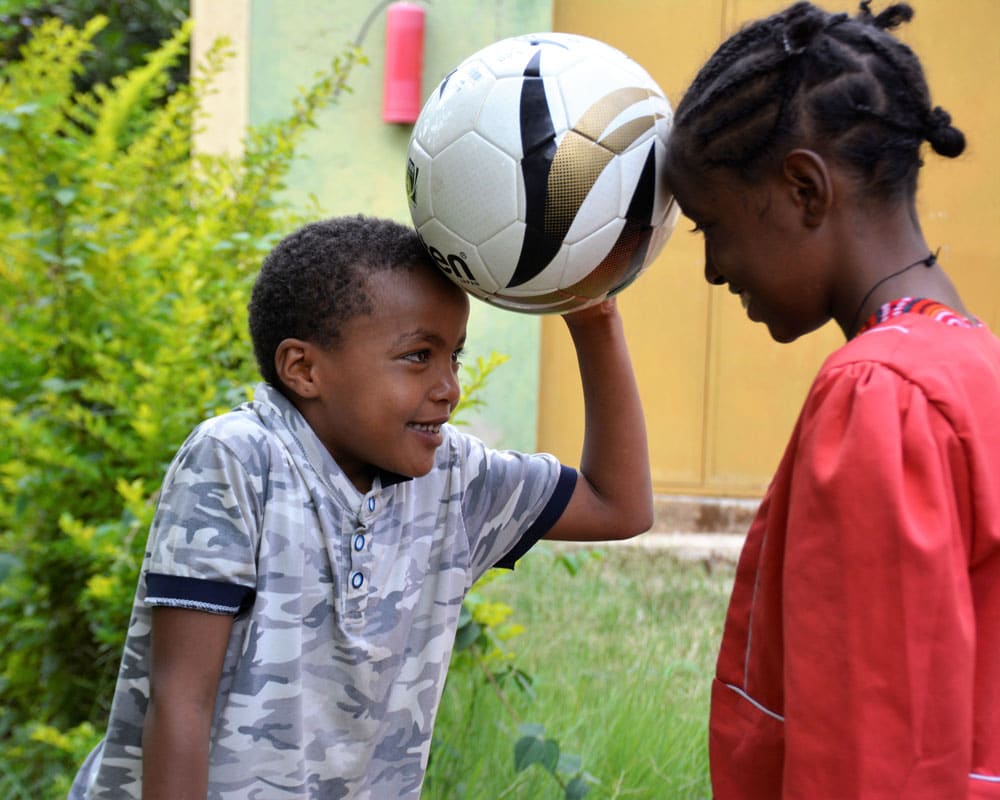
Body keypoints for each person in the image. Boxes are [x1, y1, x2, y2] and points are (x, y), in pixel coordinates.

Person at [68, 214, 653, 799]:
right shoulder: (239, 459)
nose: (448, 385)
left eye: (455, 357)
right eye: (419, 356)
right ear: (303, 369)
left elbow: (618, 505)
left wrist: (593, 310)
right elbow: (180, 702)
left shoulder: (453, 477)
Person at [662, 2, 1000, 797]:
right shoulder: (974, 367)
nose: (713, 269)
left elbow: (875, 753)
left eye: (712, 225)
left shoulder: (879, 397)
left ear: (805, 189)